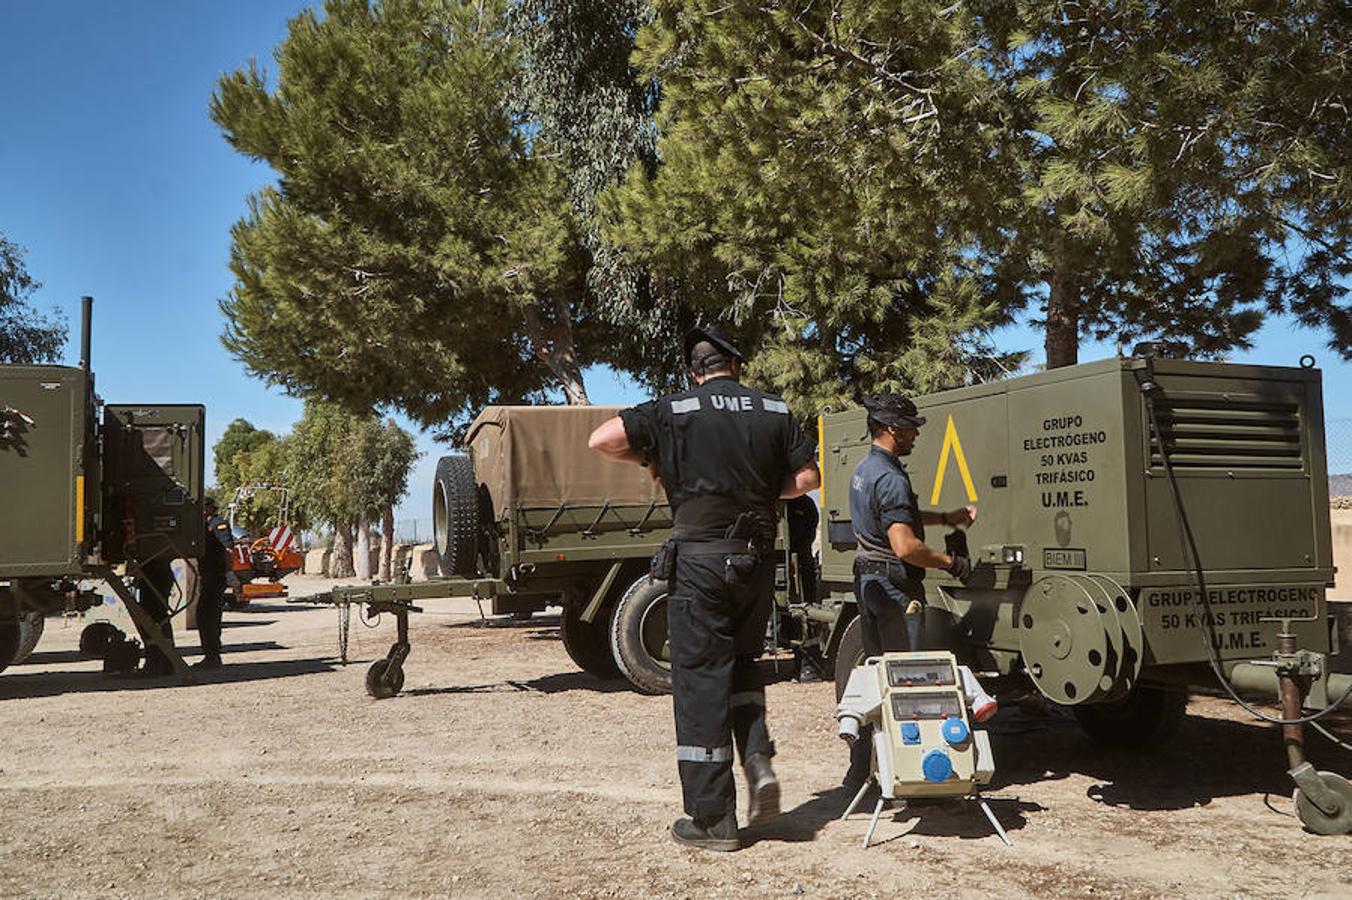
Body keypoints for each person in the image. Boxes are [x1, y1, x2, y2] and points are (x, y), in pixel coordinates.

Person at [588, 325, 820, 852]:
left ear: (695, 372)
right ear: (734, 366)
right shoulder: (775, 410)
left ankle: (714, 821)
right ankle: (757, 759)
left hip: (700, 564)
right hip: (756, 562)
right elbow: (808, 479)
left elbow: (599, 440)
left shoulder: (673, 409)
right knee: (743, 665)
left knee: (699, 685)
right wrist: (764, 489)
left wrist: (654, 461)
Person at [843, 393, 996, 788]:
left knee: (878, 677)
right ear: (892, 429)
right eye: (910, 428)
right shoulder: (891, 477)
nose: (915, 435)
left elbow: (896, 516)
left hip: (868, 579)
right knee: (907, 683)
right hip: (895, 587)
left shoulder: (865, 469)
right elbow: (906, 546)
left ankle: (862, 770)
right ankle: (911, 780)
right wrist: (953, 563)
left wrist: (945, 517)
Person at [195, 497, 233, 670]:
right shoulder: (202, 527)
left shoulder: (219, 525)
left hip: (215, 576)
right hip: (208, 575)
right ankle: (210, 655)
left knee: (208, 615)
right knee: (205, 615)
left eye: (204, 508)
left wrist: (229, 572)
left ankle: (213, 655)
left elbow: (228, 550)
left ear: (210, 508)